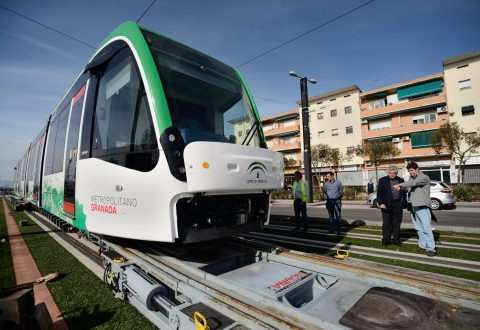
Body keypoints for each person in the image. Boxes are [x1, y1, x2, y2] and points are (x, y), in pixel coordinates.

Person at [393, 162, 436, 257]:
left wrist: (400, 184)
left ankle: (431, 248)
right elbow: (408, 189)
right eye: (409, 171)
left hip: (422, 206)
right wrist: (402, 189)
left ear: (417, 169)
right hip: (412, 206)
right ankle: (422, 245)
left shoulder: (423, 177)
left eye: (411, 170)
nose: (410, 173)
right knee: (418, 228)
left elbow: (414, 183)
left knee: (426, 228)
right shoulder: (411, 178)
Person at [377, 166, 407, 247]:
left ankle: (396, 240)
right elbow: (379, 193)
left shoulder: (401, 180)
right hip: (386, 205)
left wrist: (402, 191)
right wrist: (381, 203)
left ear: (396, 173)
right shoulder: (382, 180)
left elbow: (404, 192)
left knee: (396, 223)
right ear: (388, 173)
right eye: (390, 173)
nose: (392, 175)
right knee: (387, 224)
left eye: (393, 173)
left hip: (398, 204)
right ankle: (386, 240)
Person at [324, 171, 343, 235]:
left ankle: (339, 230)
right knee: (331, 216)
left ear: (332, 176)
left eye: (328, 176)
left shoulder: (338, 182)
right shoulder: (326, 184)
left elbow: (341, 191)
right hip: (329, 201)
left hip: (337, 201)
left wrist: (338, 197)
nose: (327, 177)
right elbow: (325, 191)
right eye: (327, 176)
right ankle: (331, 229)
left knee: (338, 216)